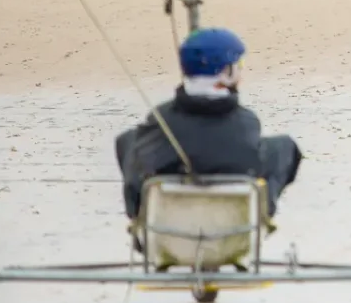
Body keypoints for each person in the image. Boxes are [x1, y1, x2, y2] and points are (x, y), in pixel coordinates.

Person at [114, 27, 303, 222]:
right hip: (233, 223)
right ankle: (264, 210)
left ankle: (138, 215)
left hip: (168, 224)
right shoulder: (245, 121)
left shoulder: (162, 118)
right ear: (227, 72)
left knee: (129, 141)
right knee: (283, 147)